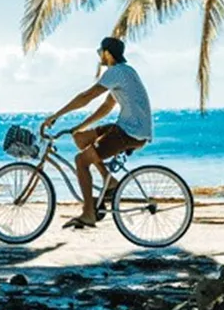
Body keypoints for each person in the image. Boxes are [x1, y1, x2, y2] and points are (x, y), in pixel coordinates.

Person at [40, 36, 153, 229]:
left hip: (128, 133)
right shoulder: (125, 72)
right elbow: (107, 106)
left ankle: (88, 213)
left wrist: (55, 115)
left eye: (100, 52)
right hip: (130, 128)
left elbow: (86, 97)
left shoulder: (116, 71)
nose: (99, 55)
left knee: (80, 161)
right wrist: (80, 127)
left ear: (108, 54)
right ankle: (110, 183)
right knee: (81, 138)